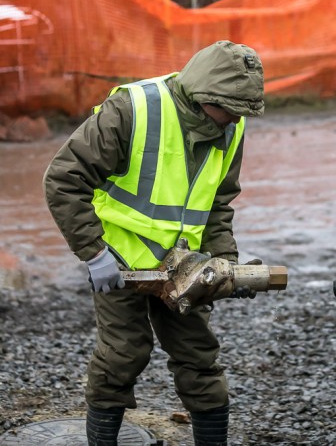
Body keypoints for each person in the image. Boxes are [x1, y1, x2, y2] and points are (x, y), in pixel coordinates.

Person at [43, 40, 264, 446]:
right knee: (122, 357)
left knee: (200, 359)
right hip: (120, 260)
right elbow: (62, 180)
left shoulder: (231, 125)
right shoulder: (132, 110)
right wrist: (94, 253)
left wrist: (226, 266)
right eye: (230, 110)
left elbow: (217, 203)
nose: (235, 120)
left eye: (243, 112)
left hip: (185, 266)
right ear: (203, 98)